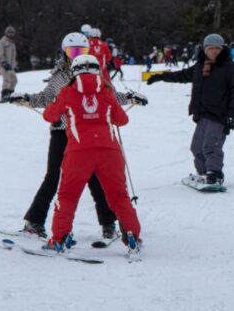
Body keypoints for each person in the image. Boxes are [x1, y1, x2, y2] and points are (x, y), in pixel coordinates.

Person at [9, 33, 144, 240]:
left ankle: (108, 224)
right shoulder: (60, 76)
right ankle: (35, 222)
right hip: (62, 132)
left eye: (81, 51)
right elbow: (46, 98)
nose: (76, 55)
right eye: (72, 51)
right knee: (53, 177)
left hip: (86, 135)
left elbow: (110, 96)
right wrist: (26, 99)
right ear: (65, 52)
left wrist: (129, 97)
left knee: (96, 179)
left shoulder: (94, 72)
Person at [40, 54, 143, 258]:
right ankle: (132, 236)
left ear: (74, 71)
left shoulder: (67, 92)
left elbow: (49, 116)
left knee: (68, 196)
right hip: (109, 152)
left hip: (78, 153)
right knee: (119, 196)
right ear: (97, 70)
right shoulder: (107, 92)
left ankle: (59, 239)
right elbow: (122, 120)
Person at [146, 33, 234, 189]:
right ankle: (204, 173)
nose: (213, 52)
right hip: (202, 114)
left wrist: (232, 113)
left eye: (217, 49)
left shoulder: (229, 67)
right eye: (210, 49)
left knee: (211, 146)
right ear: (204, 49)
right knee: (196, 148)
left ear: (222, 49)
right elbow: (182, 75)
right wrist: (160, 76)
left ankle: (214, 174)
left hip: (219, 115)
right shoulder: (200, 66)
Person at [0, 26, 18, 102]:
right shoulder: (2, 42)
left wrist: (15, 65)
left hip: (10, 66)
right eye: (9, 32)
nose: (10, 34)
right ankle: (4, 95)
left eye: (12, 32)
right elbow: (0, 54)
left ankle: (10, 94)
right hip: (2, 65)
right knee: (7, 79)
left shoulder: (12, 43)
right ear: (6, 33)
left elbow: (13, 56)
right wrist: (4, 62)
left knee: (14, 80)